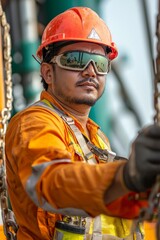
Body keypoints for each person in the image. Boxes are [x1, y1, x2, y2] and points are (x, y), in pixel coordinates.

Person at [5, 6, 160, 240]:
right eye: (76, 60)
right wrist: (126, 175)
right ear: (47, 73)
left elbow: (105, 207)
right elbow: (52, 183)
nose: (90, 72)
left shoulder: (95, 137)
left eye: (99, 63)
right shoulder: (33, 123)